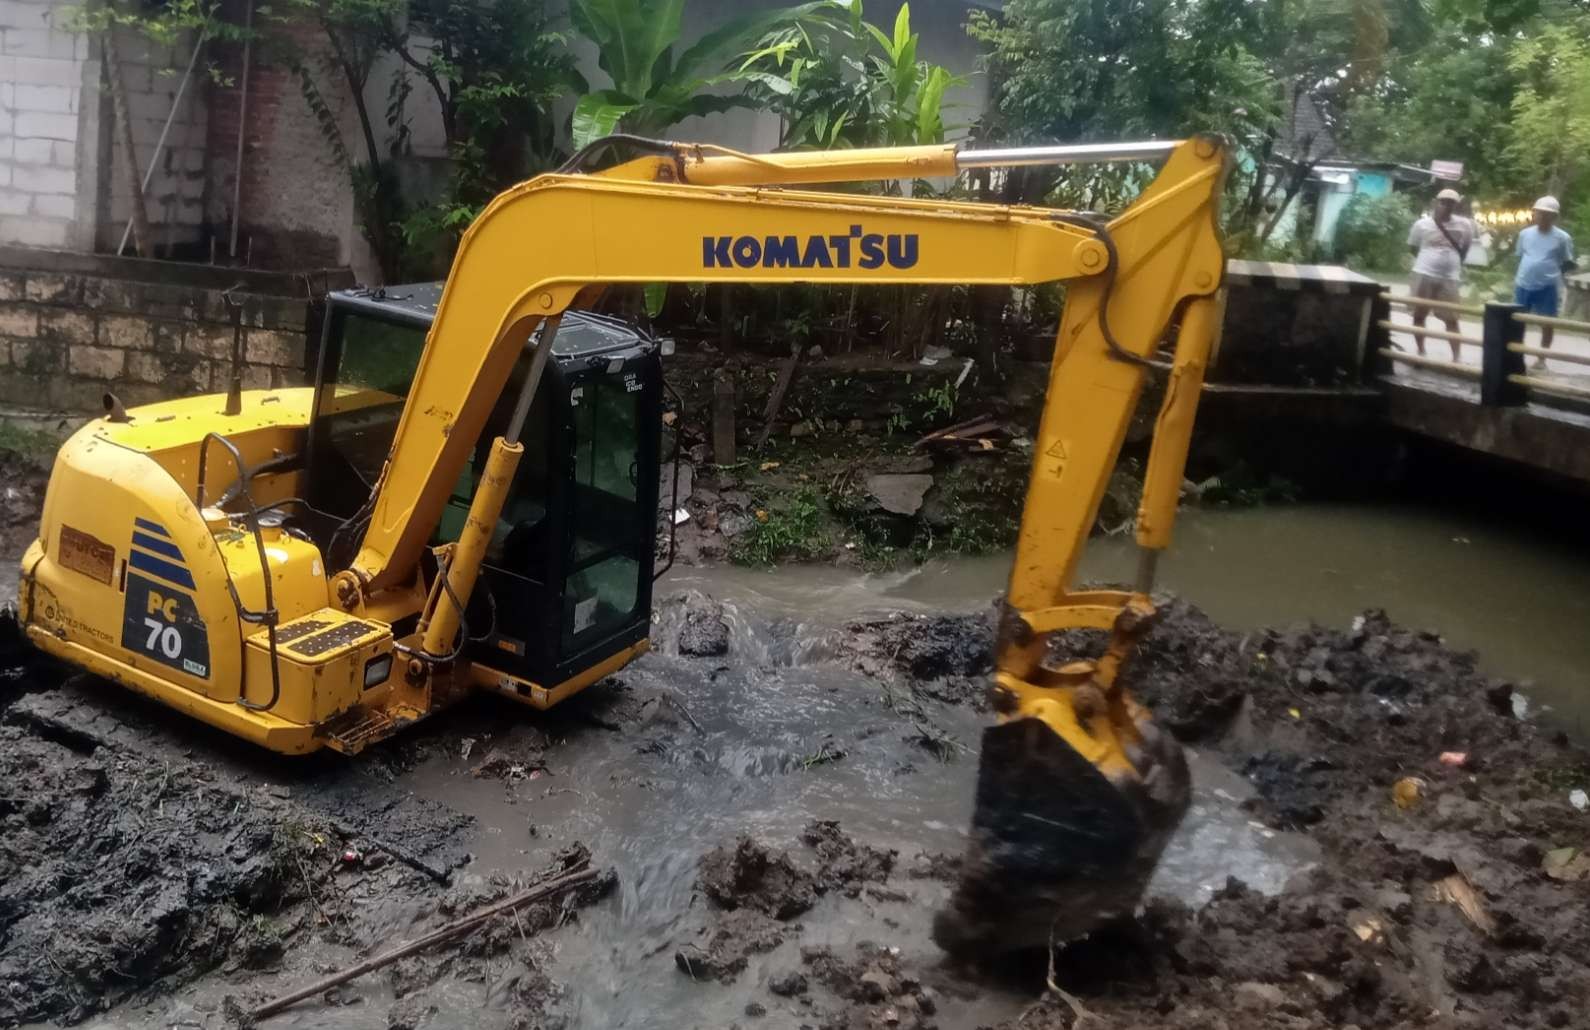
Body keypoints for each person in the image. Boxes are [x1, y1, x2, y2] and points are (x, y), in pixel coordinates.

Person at [1406, 188, 1475, 360]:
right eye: (1443, 202)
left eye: (1451, 203)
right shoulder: (1421, 224)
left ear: (1456, 206)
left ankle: (1456, 357)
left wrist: (1452, 261)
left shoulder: (1465, 225)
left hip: (1450, 277)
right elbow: (1413, 248)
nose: (1447, 206)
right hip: (1423, 273)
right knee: (1419, 314)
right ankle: (1421, 351)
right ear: (1435, 203)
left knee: (1452, 318)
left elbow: (1465, 248)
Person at [1514, 196, 1577, 368]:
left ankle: (1542, 358)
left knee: (1547, 323)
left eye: (1547, 214)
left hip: (1548, 286)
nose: (1542, 217)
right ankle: (1515, 354)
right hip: (1523, 283)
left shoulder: (1562, 238)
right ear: (1534, 214)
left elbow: (1567, 261)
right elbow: (1520, 256)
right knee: (1517, 320)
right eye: (1539, 213)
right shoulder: (1525, 234)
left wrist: (1556, 276)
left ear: (1554, 217)